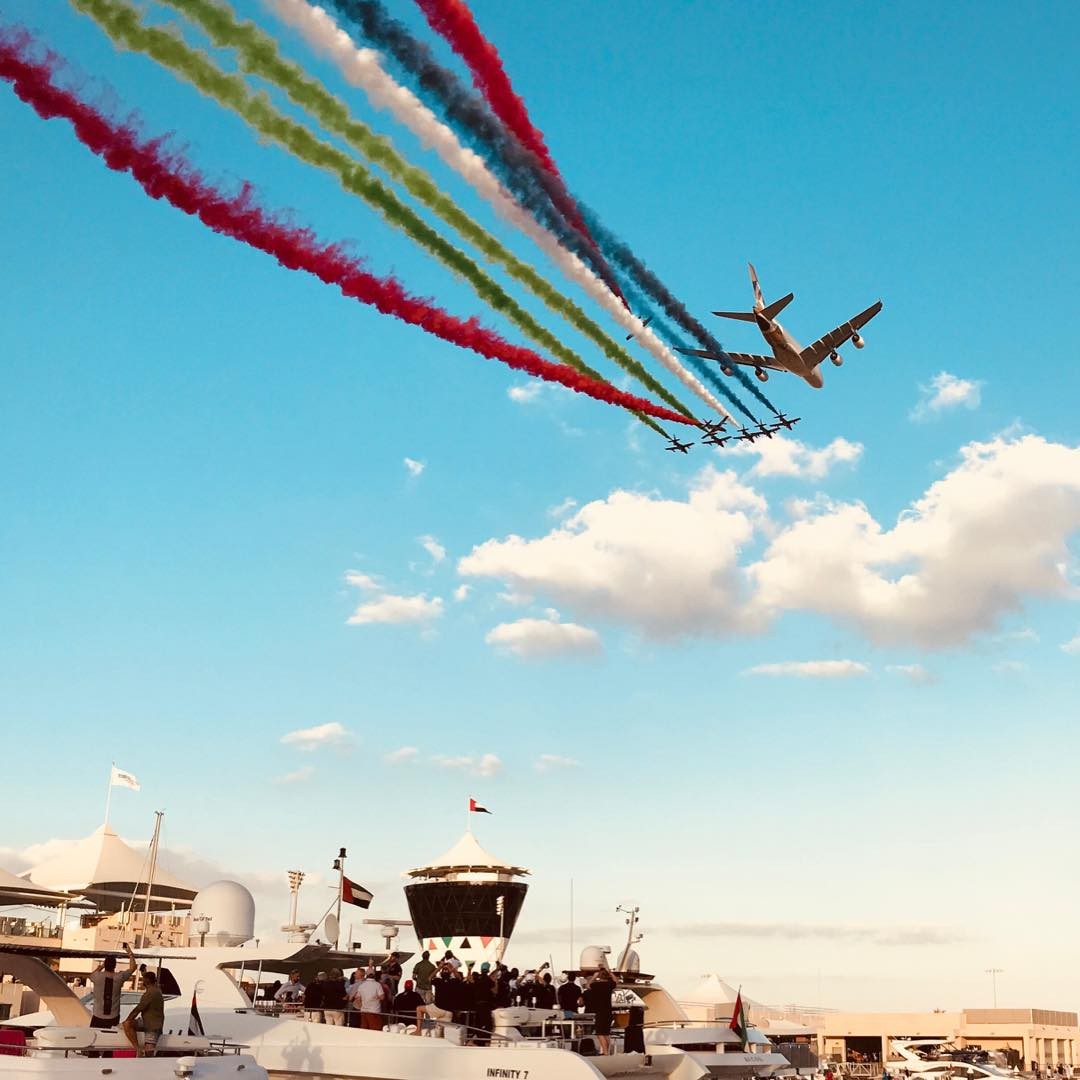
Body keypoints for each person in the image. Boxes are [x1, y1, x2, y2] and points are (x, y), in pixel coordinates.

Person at [88, 943, 137, 1029]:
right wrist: (129, 953)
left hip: (98, 1016)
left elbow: (91, 975)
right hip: (113, 1017)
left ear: (105, 965)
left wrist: (101, 967)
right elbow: (133, 967)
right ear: (114, 966)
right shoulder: (119, 977)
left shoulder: (97, 976)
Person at [121, 969, 164, 1057]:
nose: (142, 981)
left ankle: (138, 1049)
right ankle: (138, 1050)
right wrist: (143, 972)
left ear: (147, 980)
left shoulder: (150, 993)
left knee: (149, 1053)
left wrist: (128, 1019)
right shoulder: (156, 990)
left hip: (152, 1027)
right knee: (127, 1024)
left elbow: (137, 1009)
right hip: (149, 1023)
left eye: (143, 979)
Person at [583, 965, 616, 1055]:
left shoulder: (596, 985)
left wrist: (594, 976)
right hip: (608, 1012)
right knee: (606, 1033)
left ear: (599, 976)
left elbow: (587, 986)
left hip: (600, 1012)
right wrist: (610, 973)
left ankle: (606, 1053)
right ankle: (607, 1052)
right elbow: (616, 981)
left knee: (600, 1033)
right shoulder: (609, 985)